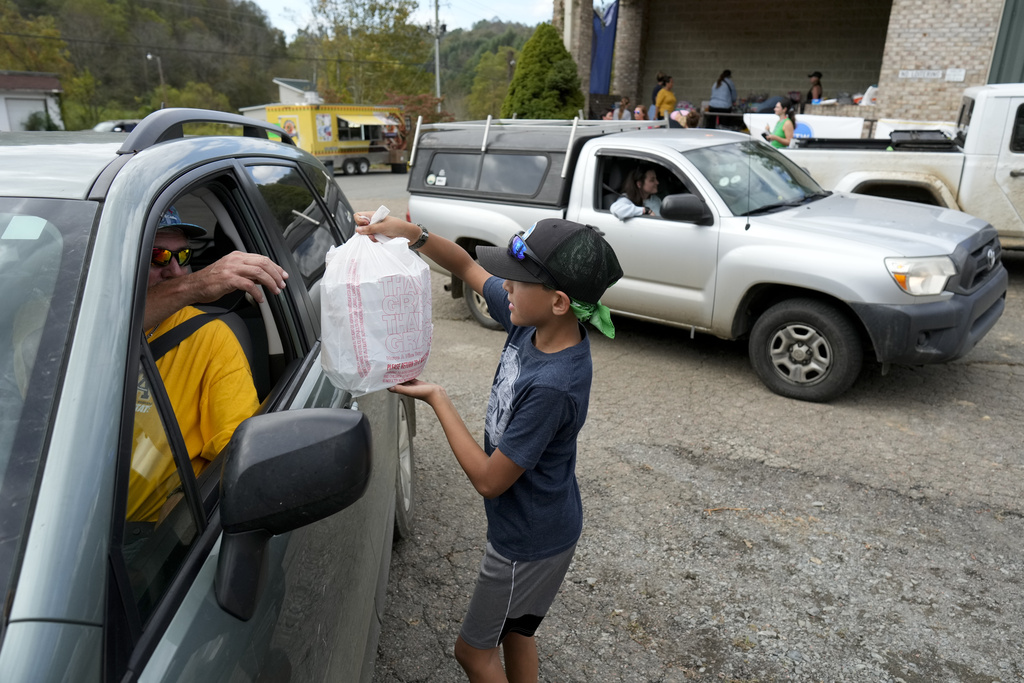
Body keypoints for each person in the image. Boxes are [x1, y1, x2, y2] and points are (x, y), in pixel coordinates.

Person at [354, 213, 622, 683]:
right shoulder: (532, 321)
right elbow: (465, 266)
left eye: (516, 282)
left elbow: (488, 480)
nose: (505, 289)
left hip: (526, 542)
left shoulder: (554, 384)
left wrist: (438, 398)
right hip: (543, 529)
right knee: (518, 630)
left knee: (473, 652)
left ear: (558, 301)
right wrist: (410, 233)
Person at [128, 206, 289, 522]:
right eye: (158, 256)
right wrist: (193, 286)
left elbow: (238, 455)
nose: (175, 269)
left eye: (184, 256)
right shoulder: (69, 328)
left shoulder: (211, 337)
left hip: (145, 537)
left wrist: (182, 513)